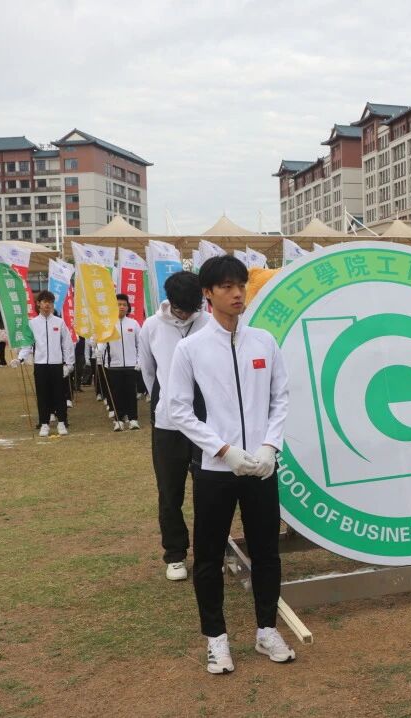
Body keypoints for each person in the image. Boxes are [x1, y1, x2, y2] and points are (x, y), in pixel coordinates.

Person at [166, 255, 294, 674]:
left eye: (240, 285)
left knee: (267, 552)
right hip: (216, 471)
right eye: (226, 286)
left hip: (260, 468)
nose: (237, 293)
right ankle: (216, 639)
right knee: (207, 556)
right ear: (208, 293)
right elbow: (178, 409)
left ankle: (266, 630)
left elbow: (280, 398)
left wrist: (270, 447)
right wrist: (223, 450)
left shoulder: (264, 342)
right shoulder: (191, 348)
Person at [138, 271, 210, 582]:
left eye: (192, 310)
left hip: (207, 423)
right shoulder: (152, 326)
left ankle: (210, 550)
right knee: (169, 491)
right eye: (181, 310)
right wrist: (166, 401)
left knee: (210, 490)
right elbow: (148, 371)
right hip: (168, 425)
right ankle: (176, 554)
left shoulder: (209, 323)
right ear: (170, 303)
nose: (185, 316)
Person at [16, 290, 74, 437]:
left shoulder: (59, 322)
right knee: (42, 395)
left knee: (59, 394)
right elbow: (27, 344)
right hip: (40, 364)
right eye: (45, 302)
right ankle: (44, 424)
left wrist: (68, 364)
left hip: (57, 364)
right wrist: (20, 358)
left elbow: (67, 344)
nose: (47, 305)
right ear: (38, 304)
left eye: (50, 302)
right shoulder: (32, 323)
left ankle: (62, 422)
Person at [101, 294, 142, 430]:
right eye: (119, 304)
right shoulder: (108, 324)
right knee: (116, 394)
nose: (122, 307)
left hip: (131, 366)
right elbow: (102, 343)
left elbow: (140, 344)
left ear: (128, 307)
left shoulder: (134, 324)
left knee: (131, 393)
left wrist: (139, 361)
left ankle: (133, 419)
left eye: (124, 305)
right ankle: (118, 420)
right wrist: (100, 351)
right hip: (114, 366)